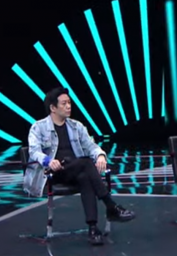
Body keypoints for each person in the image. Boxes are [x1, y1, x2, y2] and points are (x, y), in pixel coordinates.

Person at [23, 87, 135, 245]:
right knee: (86, 163)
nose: (68, 106)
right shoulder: (38, 127)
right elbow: (34, 151)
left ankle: (93, 228)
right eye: (64, 103)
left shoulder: (77, 126)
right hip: (52, 173)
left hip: (74, 170)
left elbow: (90, 146)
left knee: (85, 176)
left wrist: (100, 155)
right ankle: (111, 206)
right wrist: (48, 160)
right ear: (53, 108)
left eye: (69, 103)